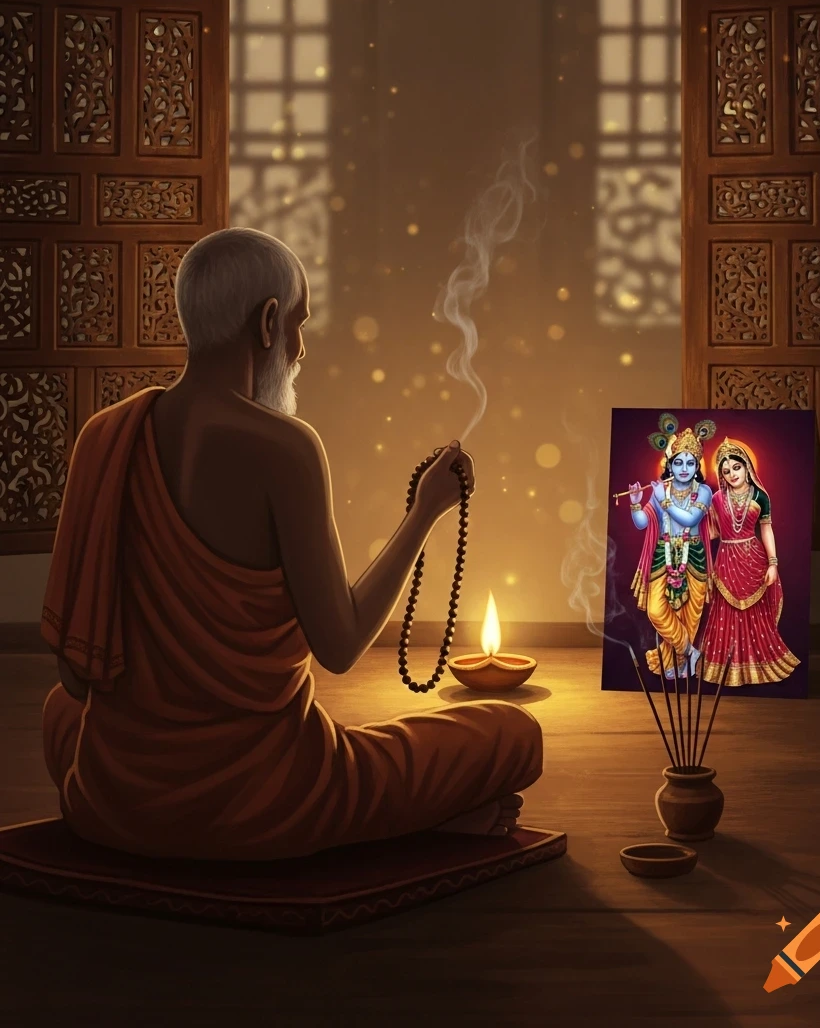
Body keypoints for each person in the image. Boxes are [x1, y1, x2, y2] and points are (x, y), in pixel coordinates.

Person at [41, 227, 542, 860]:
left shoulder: (103, 436)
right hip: (270, 802)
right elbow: (340, 645)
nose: (300, 349)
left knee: (61, 713)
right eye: (298, 326)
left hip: (114, 802)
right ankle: (417, 818)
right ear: (268, 321)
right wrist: (424, 513)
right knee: (510, 732)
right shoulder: (286, 449)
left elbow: (76, 678)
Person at [700, 438, 800, 686]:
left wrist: (773, 563)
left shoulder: (760, 496)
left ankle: (758, 663)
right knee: (725, 613)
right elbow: (712, 532)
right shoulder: (716, 498)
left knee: (756, 614)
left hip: (754, 560)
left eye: (736, 467)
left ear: (747, 466)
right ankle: (726, 667)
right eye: (726, 471)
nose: (732, 474)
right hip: (725, 561)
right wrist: (687, 518)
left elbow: (766, 529)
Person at [628, 413, 716, 679]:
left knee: (688, 616)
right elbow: (641, 523)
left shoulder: (703, 491)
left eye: (690, 462)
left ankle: (680, 664)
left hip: (694, 557)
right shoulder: (660, 490)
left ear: (697, 466)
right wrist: (635, 503)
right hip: (663, 556)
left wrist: (663, 501)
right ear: (670, 464)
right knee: (657, 611)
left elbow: (690, 519)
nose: (684, 468)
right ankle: (690, 651)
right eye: (678, 462)